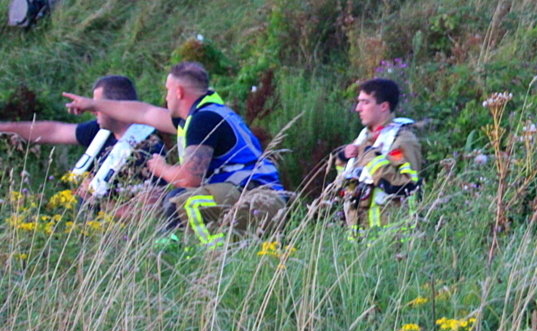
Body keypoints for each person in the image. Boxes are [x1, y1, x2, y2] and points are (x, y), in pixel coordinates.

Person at [64, 62, 286, 248]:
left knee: (180, 200)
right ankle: (209, 249)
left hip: (258, 200)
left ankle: (202, 256)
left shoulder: (203, 120)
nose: (166, 97)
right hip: (253, 198)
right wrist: (92, 104)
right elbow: (143, 112)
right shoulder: (206, 113)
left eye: (168, 90)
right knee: (175, 201)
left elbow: (189, 179)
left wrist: (161, 168)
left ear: (179, 92)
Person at [0, 75, 165, 202]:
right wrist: (4, 129)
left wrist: (94, 202)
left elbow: (151, 208)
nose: (92, 110)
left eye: (97, 105)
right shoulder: (102, 130)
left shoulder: (148, 148)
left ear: (116, 107)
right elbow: (54, 131)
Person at [331, 78, 421, 229]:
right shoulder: (363, 137)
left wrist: (372, 159)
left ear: (384, 106)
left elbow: (408, 187)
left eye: (365, 102)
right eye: (359, 102)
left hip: (392, 239)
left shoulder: (402, 140)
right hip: (359, 238)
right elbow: (344, 182)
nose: (358, 108)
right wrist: (342, 158)